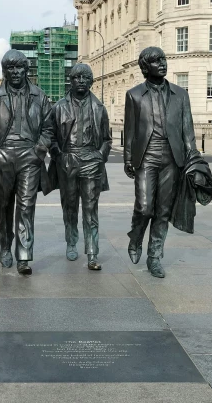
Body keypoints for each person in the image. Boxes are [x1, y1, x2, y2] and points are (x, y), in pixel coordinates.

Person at [123, 46, 197, 278]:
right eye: (156, 61)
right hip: (146, 157)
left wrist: (192, 159)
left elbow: (188, 130)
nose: (163, 64)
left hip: (172, 158)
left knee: (163, 211)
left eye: (163, 59)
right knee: (144, 207)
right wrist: (127, 159)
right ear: (145, 67)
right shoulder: (134, 95)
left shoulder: (180, 95)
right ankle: (135, 237)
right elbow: (130, 131)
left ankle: (154, 256)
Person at [0, 49, 53, 275]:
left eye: (19, 67)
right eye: (10, 68)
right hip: (2, 156)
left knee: (26, 206)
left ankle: (23, 255)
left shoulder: (39, 96)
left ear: (26, 69)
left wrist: (38, 151)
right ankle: (5, 245)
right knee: (4, 207)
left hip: (29, 157)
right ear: (4, 71)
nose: (15, 72)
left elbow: (49, 128)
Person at [49, 63, 112, 270]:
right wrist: (59, 156)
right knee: (69, 207)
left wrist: (99, 156)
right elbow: (50, 137)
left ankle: (92, 252)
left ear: (91, 82)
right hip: (68, 160)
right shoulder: (58, 107)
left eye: (86, 78)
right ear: (71, 80)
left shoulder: (99, 108)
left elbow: (106, 139)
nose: (81, 81)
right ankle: (71, 241)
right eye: (77, 77)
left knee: (90, 209)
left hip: (91, 161)